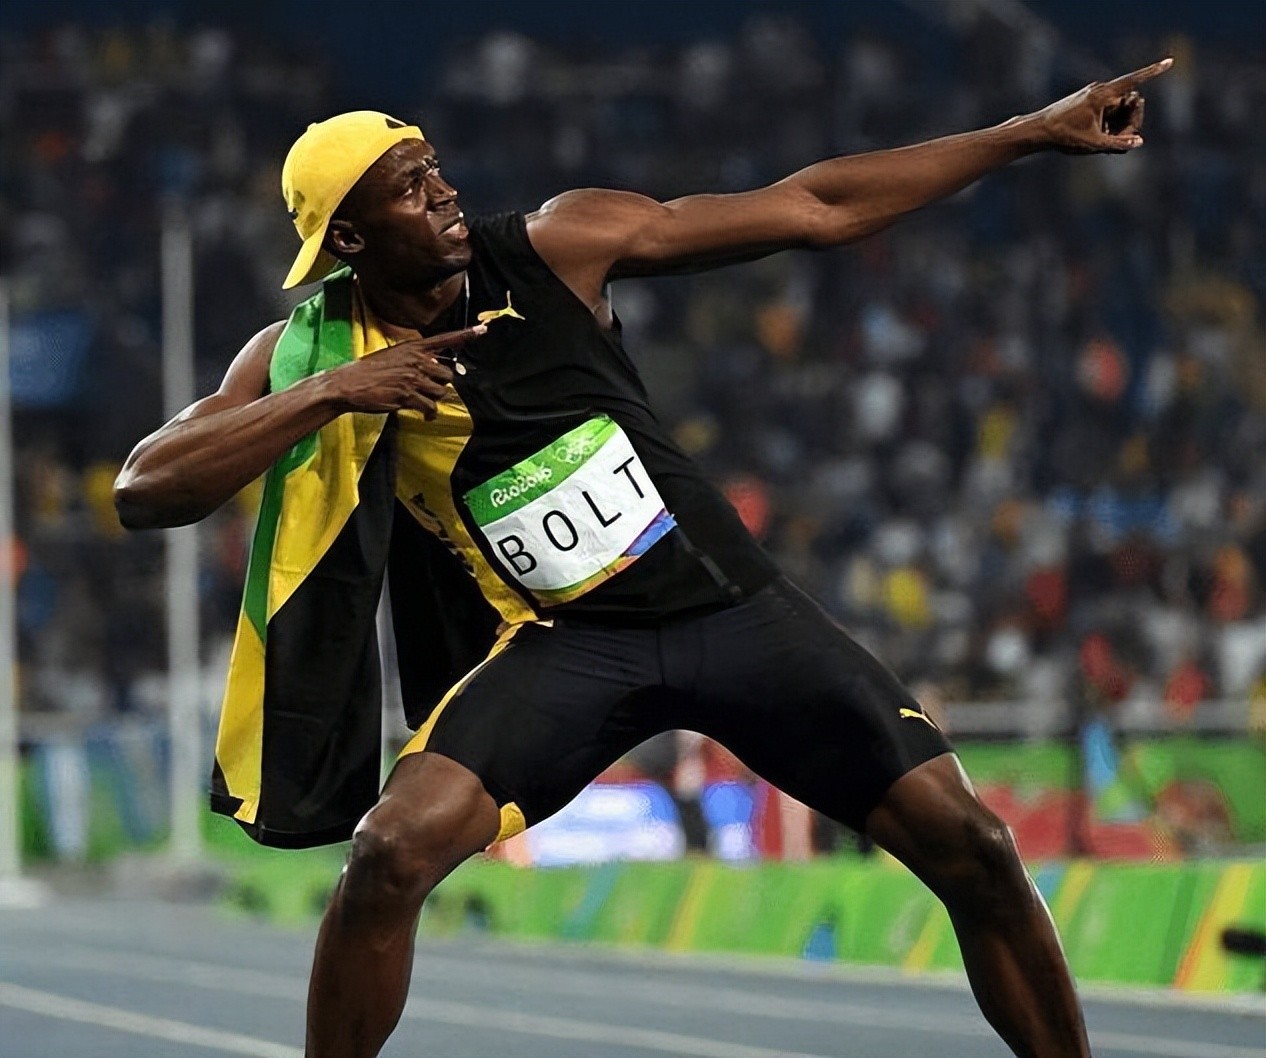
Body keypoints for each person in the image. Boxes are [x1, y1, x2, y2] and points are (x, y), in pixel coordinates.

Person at [115, 57, 1171, 1058]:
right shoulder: (307, 355)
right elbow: (145, 487)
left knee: (976, 846)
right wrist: (331, 393)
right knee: (387, 852)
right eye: (409, 186)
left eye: (435, 168)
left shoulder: (557, 244)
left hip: (730, 610)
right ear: (348, 236)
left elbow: (814, 207)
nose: (443, 193)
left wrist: (1031, 132)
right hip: (566, 645)